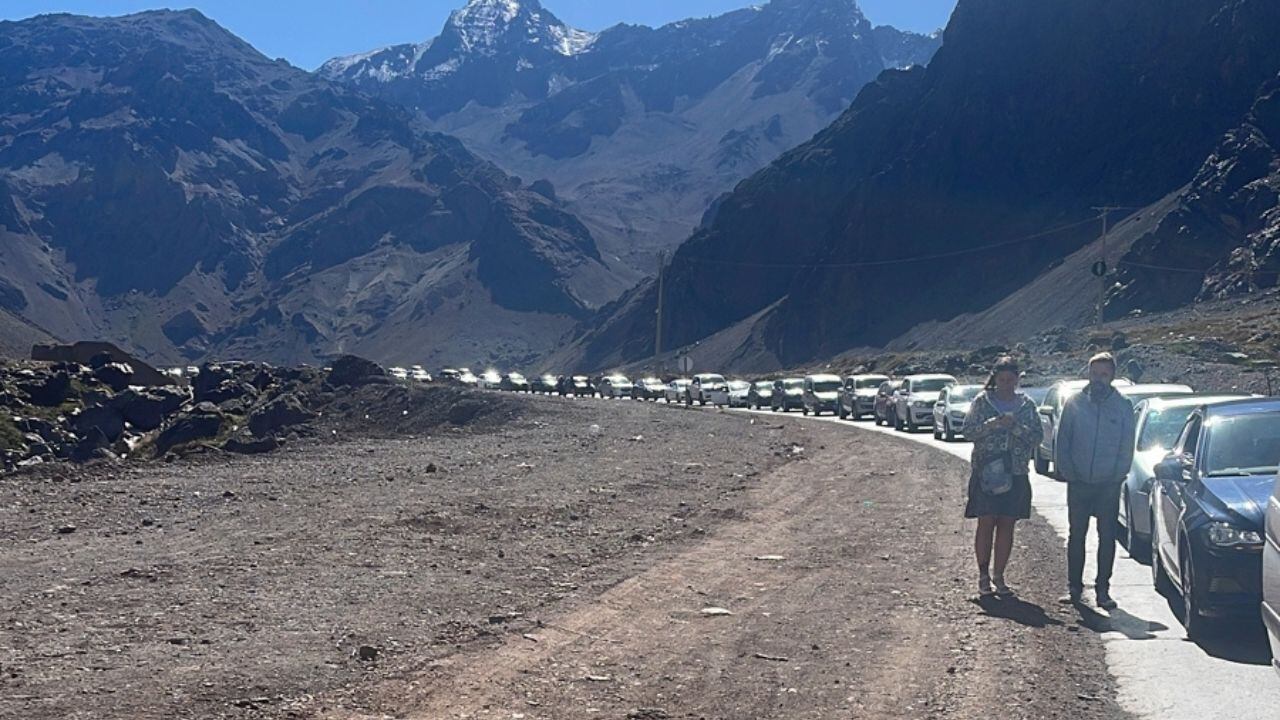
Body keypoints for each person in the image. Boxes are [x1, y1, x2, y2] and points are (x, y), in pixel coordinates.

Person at [1054, 352, 1137, 609]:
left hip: (1108, 485)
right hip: (1078, 482)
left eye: (1104, 374)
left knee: (1107, 536)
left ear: (1112, 375)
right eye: (1094, 373)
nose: (1099, 379)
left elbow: (1127, 445)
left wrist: (1117, 474)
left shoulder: (1123, 406)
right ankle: (1074, 589)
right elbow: (1063, 440)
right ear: (1087, 373)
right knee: (1076, 534)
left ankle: (1103, 591)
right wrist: (1067, 470)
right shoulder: (1074, 403)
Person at [962, 356, 1044, 597]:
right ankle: (983, 575)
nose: (1006, 384)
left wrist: (1015, 426)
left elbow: (1037, 437)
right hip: (986, 473)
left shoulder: (1027, 405)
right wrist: (992, 425)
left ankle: (999, 575)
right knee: (986, 522)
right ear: (994, 379)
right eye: (1002, 379)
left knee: (1007, 523)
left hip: (1016, 473)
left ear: (1017, 380)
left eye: (1011, 379)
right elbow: (968, 431)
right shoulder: (982, 402)